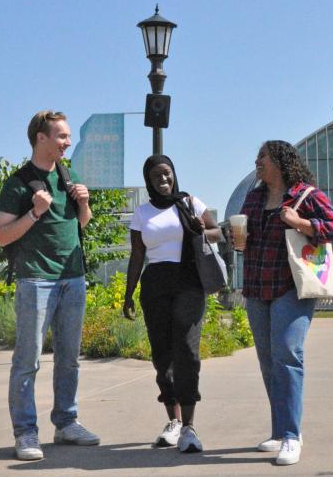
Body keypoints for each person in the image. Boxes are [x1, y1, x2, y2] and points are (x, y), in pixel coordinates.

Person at [0, 110, 100, 461]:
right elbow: (2, 236)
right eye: (61, 136)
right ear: (41, 138)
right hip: (36, 279)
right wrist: (35, 212)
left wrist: (83, 204)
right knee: (28, 361)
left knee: (69, 359)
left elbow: (80, 225)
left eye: (68, 136)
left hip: (73, 277)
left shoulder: (69, 176)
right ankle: (26, 432)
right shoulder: (18, 183)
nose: (68, 142)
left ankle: (66, 423)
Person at [234, 140, 333, 466]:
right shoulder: (253, 196)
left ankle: (293, 437)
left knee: (287, 354)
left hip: (291, 288)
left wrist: (300, 223)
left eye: (263, 157)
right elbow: (245, 233)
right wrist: (236, 237)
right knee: (269, 363)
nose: (257, 161)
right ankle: (280, 431)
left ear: (280, 162)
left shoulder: (305, 195)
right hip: (256, 286)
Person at [123, 154, 221, 453]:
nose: (163, 180)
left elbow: (219, 233)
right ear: (148, 181)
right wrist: (128, 294)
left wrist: (199, 229)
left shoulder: (191, 202)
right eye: (156, 177)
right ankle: (174, 422)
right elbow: (137, 255)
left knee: (187, 351)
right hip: (155, 284)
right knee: (162, 354)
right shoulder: (142, 213)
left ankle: (190, 428)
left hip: (189, 282)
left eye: (167, 174)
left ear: (174, 174)